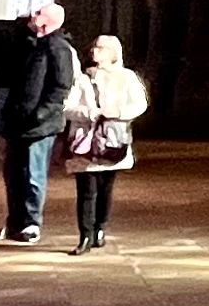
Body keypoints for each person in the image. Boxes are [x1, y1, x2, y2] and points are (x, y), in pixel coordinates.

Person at [0, 0, 79, 242]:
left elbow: (60, 86)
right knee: (12, 174)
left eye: (38, 13)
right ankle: (14, 222)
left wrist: (40, 114)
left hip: (39, 125)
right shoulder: (30, 44)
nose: (32, 15)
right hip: (17, 121)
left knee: (33, 174)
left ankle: (32, 222)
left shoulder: (59, 47)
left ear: (50, 21)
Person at [60, 33, 149, 252]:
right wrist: (91, 113)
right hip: (86, 143)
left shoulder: (127, 78)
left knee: (105, 188)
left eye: (100, 48)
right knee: (86, 190)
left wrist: (117, 112)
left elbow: (139, 104)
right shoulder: (83, 79)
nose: (94, 51)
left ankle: (99, 227)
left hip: (112, 141)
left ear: (113, 53)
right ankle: (85, 235)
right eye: (94, 47)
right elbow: (67, 107)